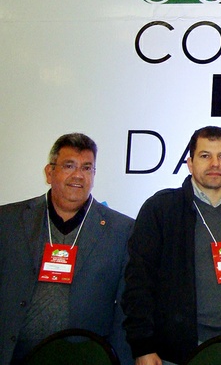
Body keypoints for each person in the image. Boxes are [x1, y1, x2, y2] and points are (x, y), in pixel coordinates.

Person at [122, 126, 221, 365]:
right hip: (178, 351)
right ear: (190, 163)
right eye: (205, 156)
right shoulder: (162, 209)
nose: (215, 163)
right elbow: (138, 281)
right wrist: (143, 346)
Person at [0, 133, 133, 364]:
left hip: (85, 357)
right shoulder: (8, 221)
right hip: (15, 354)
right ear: (49, 172)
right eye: (69, 166)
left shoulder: (122, 230)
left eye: (87, 168)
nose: (78, 176)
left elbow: (125, 308)